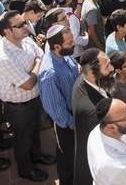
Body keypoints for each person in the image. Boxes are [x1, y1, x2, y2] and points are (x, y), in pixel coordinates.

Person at [0, 11, 54, 182]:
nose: (26, 27)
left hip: (33, 99)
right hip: (18, 107)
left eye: (24, 22)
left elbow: (41, 55)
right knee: (22, 139)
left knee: (34, 131)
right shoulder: (2, 57)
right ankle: (25, 170)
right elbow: (28, 83)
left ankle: (37, 156)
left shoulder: (25, 40)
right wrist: (37, 65)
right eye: (20, 25)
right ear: (7, 31)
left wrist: (35, 65)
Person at [38, 24, 80, 185]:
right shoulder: (49, 74)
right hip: (67, 124)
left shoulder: (65, 54)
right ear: (56, 46)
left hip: (74, 115)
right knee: (70, 157)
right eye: (70, 43)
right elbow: (56, 111)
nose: (73, 45)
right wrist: (73, 124)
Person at [72, 48, 115, 184]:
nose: (112, 68)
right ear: (92, 71)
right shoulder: (93, 111)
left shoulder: (85, 79)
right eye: (107, 65)